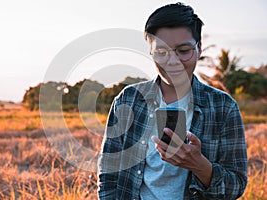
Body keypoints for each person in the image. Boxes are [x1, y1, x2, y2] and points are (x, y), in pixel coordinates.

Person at [97, 2, 247, 200]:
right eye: (161, 53)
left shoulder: (224, 107)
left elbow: (236, 186)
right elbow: (108, 175)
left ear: (199, 48)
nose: (173, 61)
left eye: (183, 51)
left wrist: (200, 165)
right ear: (151, 51)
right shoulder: (128, 100)